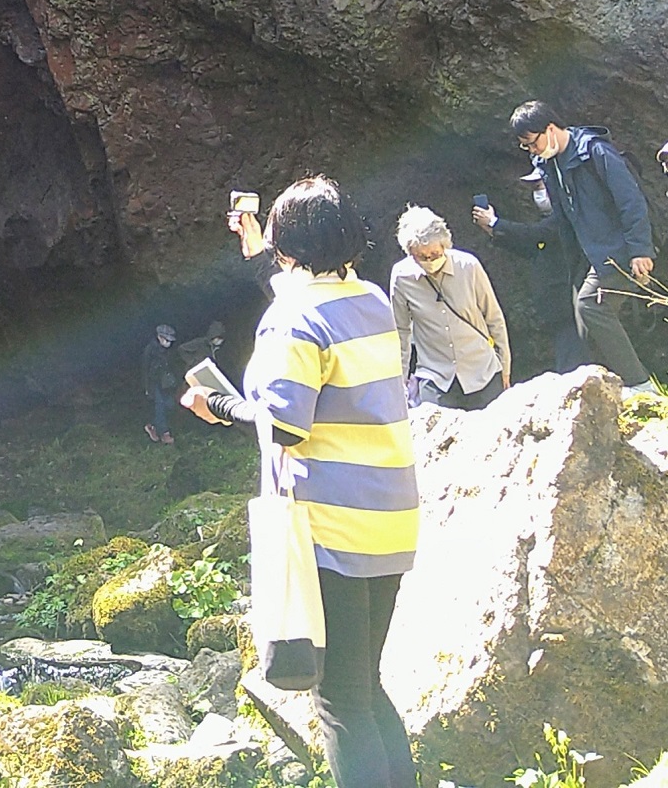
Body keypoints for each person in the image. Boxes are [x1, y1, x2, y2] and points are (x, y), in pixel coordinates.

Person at [183, 176, 418, 788]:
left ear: (288, 247)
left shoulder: (291, 318)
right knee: (365, 685)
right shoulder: (369, 299)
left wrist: (219, 404)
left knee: (339, 702)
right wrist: (260, 253)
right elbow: (307, 299)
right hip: (390, 514)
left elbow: (286, 426)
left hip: (332, 525)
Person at [508, 100, 654, 385]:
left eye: (532, 143)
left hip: (619, 251)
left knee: (591, 306)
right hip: (589, 255)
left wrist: (640, 250)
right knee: (583, 321)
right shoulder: (548, 163)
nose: (532, 150)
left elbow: (631, 202)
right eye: (525, 146)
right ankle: (604, 389)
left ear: (550, 128)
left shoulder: (595, 151)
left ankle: (640, 384)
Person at [389, 207, 510, 409]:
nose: (430, 261)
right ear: (410, 254)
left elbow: (494, 317)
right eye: (422, 256)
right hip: (435, 376)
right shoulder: (401, 276)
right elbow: (400, 332)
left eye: (435, 254)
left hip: (482, 371)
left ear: (445, 246)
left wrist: (505, 366)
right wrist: (399, 382)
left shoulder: (468, 266)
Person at [474, 177, 583, 374]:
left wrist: (495, 222)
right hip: (557, 305)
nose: (538, 194)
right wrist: (493, 231)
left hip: (570, 302)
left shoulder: (567, 214)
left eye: (541, 186)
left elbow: (535, 235)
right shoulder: (550, 220)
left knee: (572, 355)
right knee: (566, 348)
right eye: (535, 189)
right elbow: (533, 248)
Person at [142, 322, 179, 443]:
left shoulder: (167, 351)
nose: (169, 343)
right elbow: (145, 369)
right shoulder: (150, 350)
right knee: (160, 406)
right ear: (160, 337)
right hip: (154, 383)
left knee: (170, 404)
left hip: (166, 383)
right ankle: (164, 433)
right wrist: (147, 387)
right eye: (167, 340)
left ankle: (152, 425)